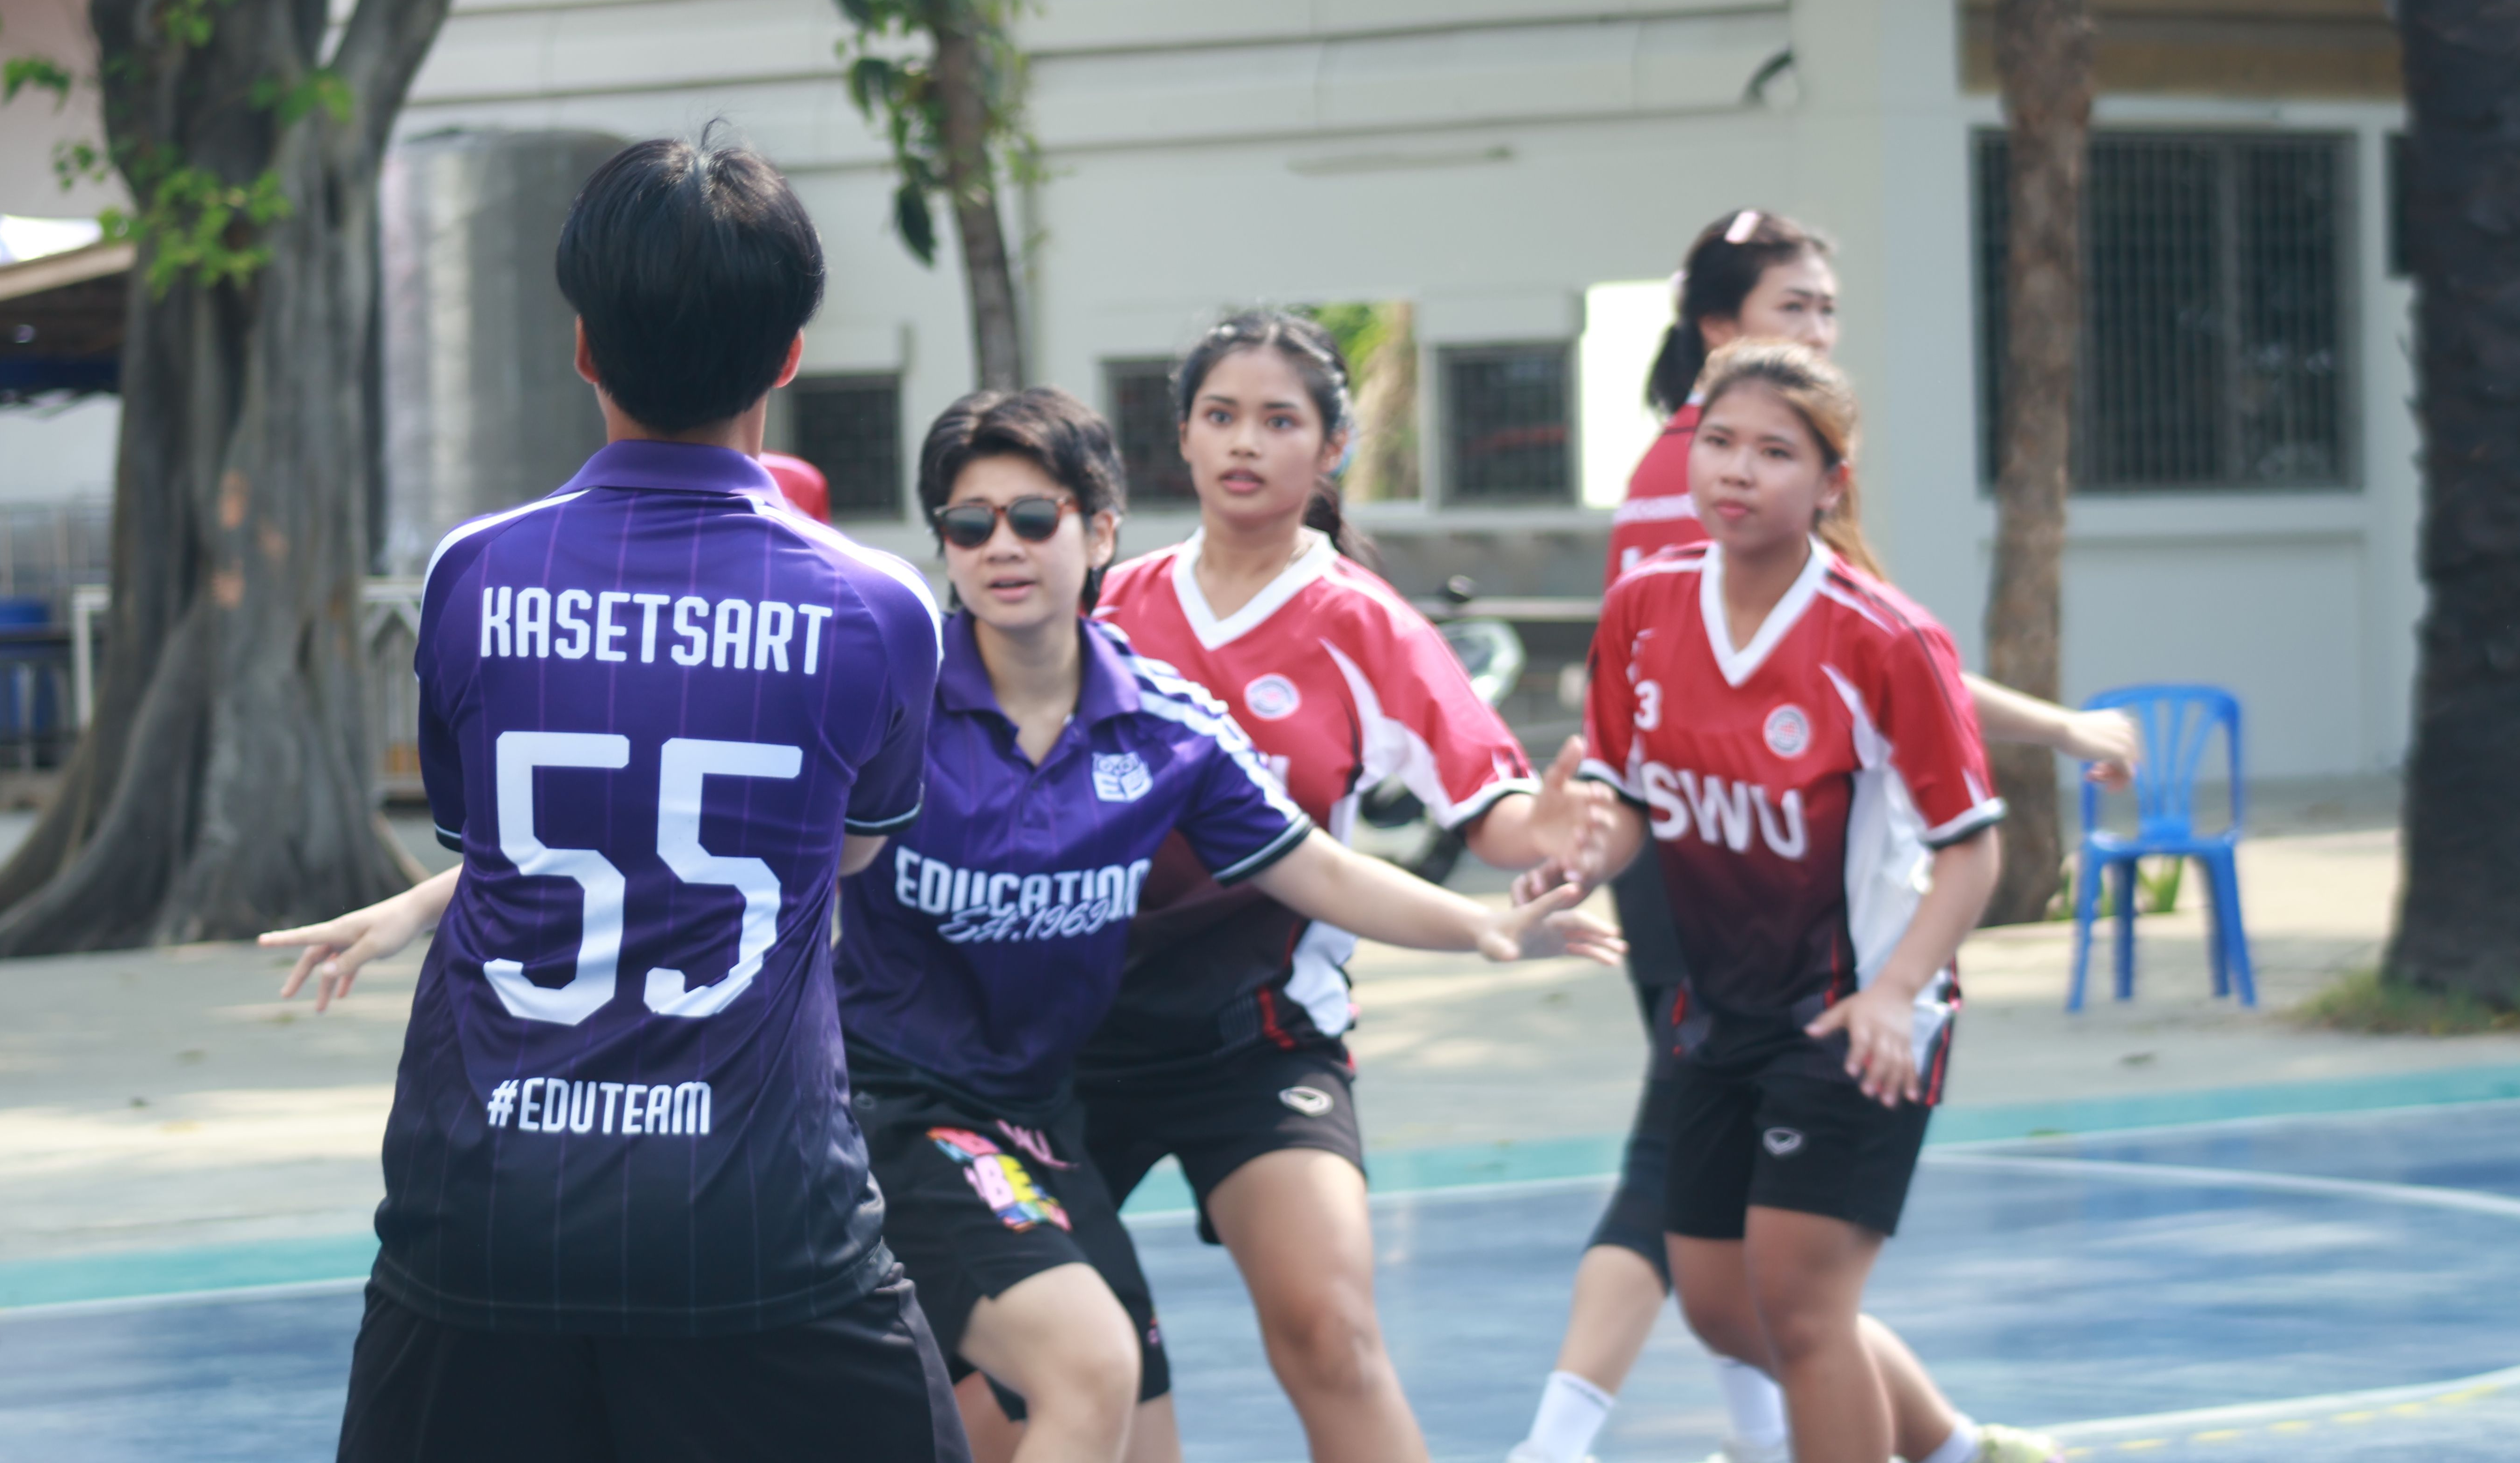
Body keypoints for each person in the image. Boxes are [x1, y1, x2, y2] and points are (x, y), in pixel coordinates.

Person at [255, 136, 969, 1463]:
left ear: (585, 346)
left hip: (484, 1207)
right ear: (789, 356)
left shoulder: (472, 576)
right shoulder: (879, 608)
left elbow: (491, 846)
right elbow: (851, 853)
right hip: (756, 1219)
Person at [842, 385, 1620, 1463]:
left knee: (1132, 1431)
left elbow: (1318, 869)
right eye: (969, 524)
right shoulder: (890, 699)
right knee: (1087, 1369)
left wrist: (1482, 927)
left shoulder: (1166, 727)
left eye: (1032, 517)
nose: (1000, 546)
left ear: (1098, 531)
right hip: (896, 1102)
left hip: (1039, 1115)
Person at [1507, 210, 2112, 1463]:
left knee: (1801, 1304)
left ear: (1830, 483)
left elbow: (1972, 849)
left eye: (1774, 452)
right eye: (1719, 442)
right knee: (1722, 1304)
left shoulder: (1882, 638)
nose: (1736, 471)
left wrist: (1896, 992)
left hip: (1852, 1012)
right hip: (1719, 1008)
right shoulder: (1643, 611)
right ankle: (1952, 1447)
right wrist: (1576, 850)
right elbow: (1628, 801)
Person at [1077, 311, 1602, 1463]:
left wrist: (1551, 829)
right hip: (1073, 1034)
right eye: (1220, 415)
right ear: (1183, 435)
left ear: (1332, 448)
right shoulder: (1109, 607)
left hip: (1260, 1038)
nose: (1244, 442)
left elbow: (1491, 806)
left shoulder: (1363, 621)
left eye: (1279, 420)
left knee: (1331, 1333)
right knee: (1018, 1363)